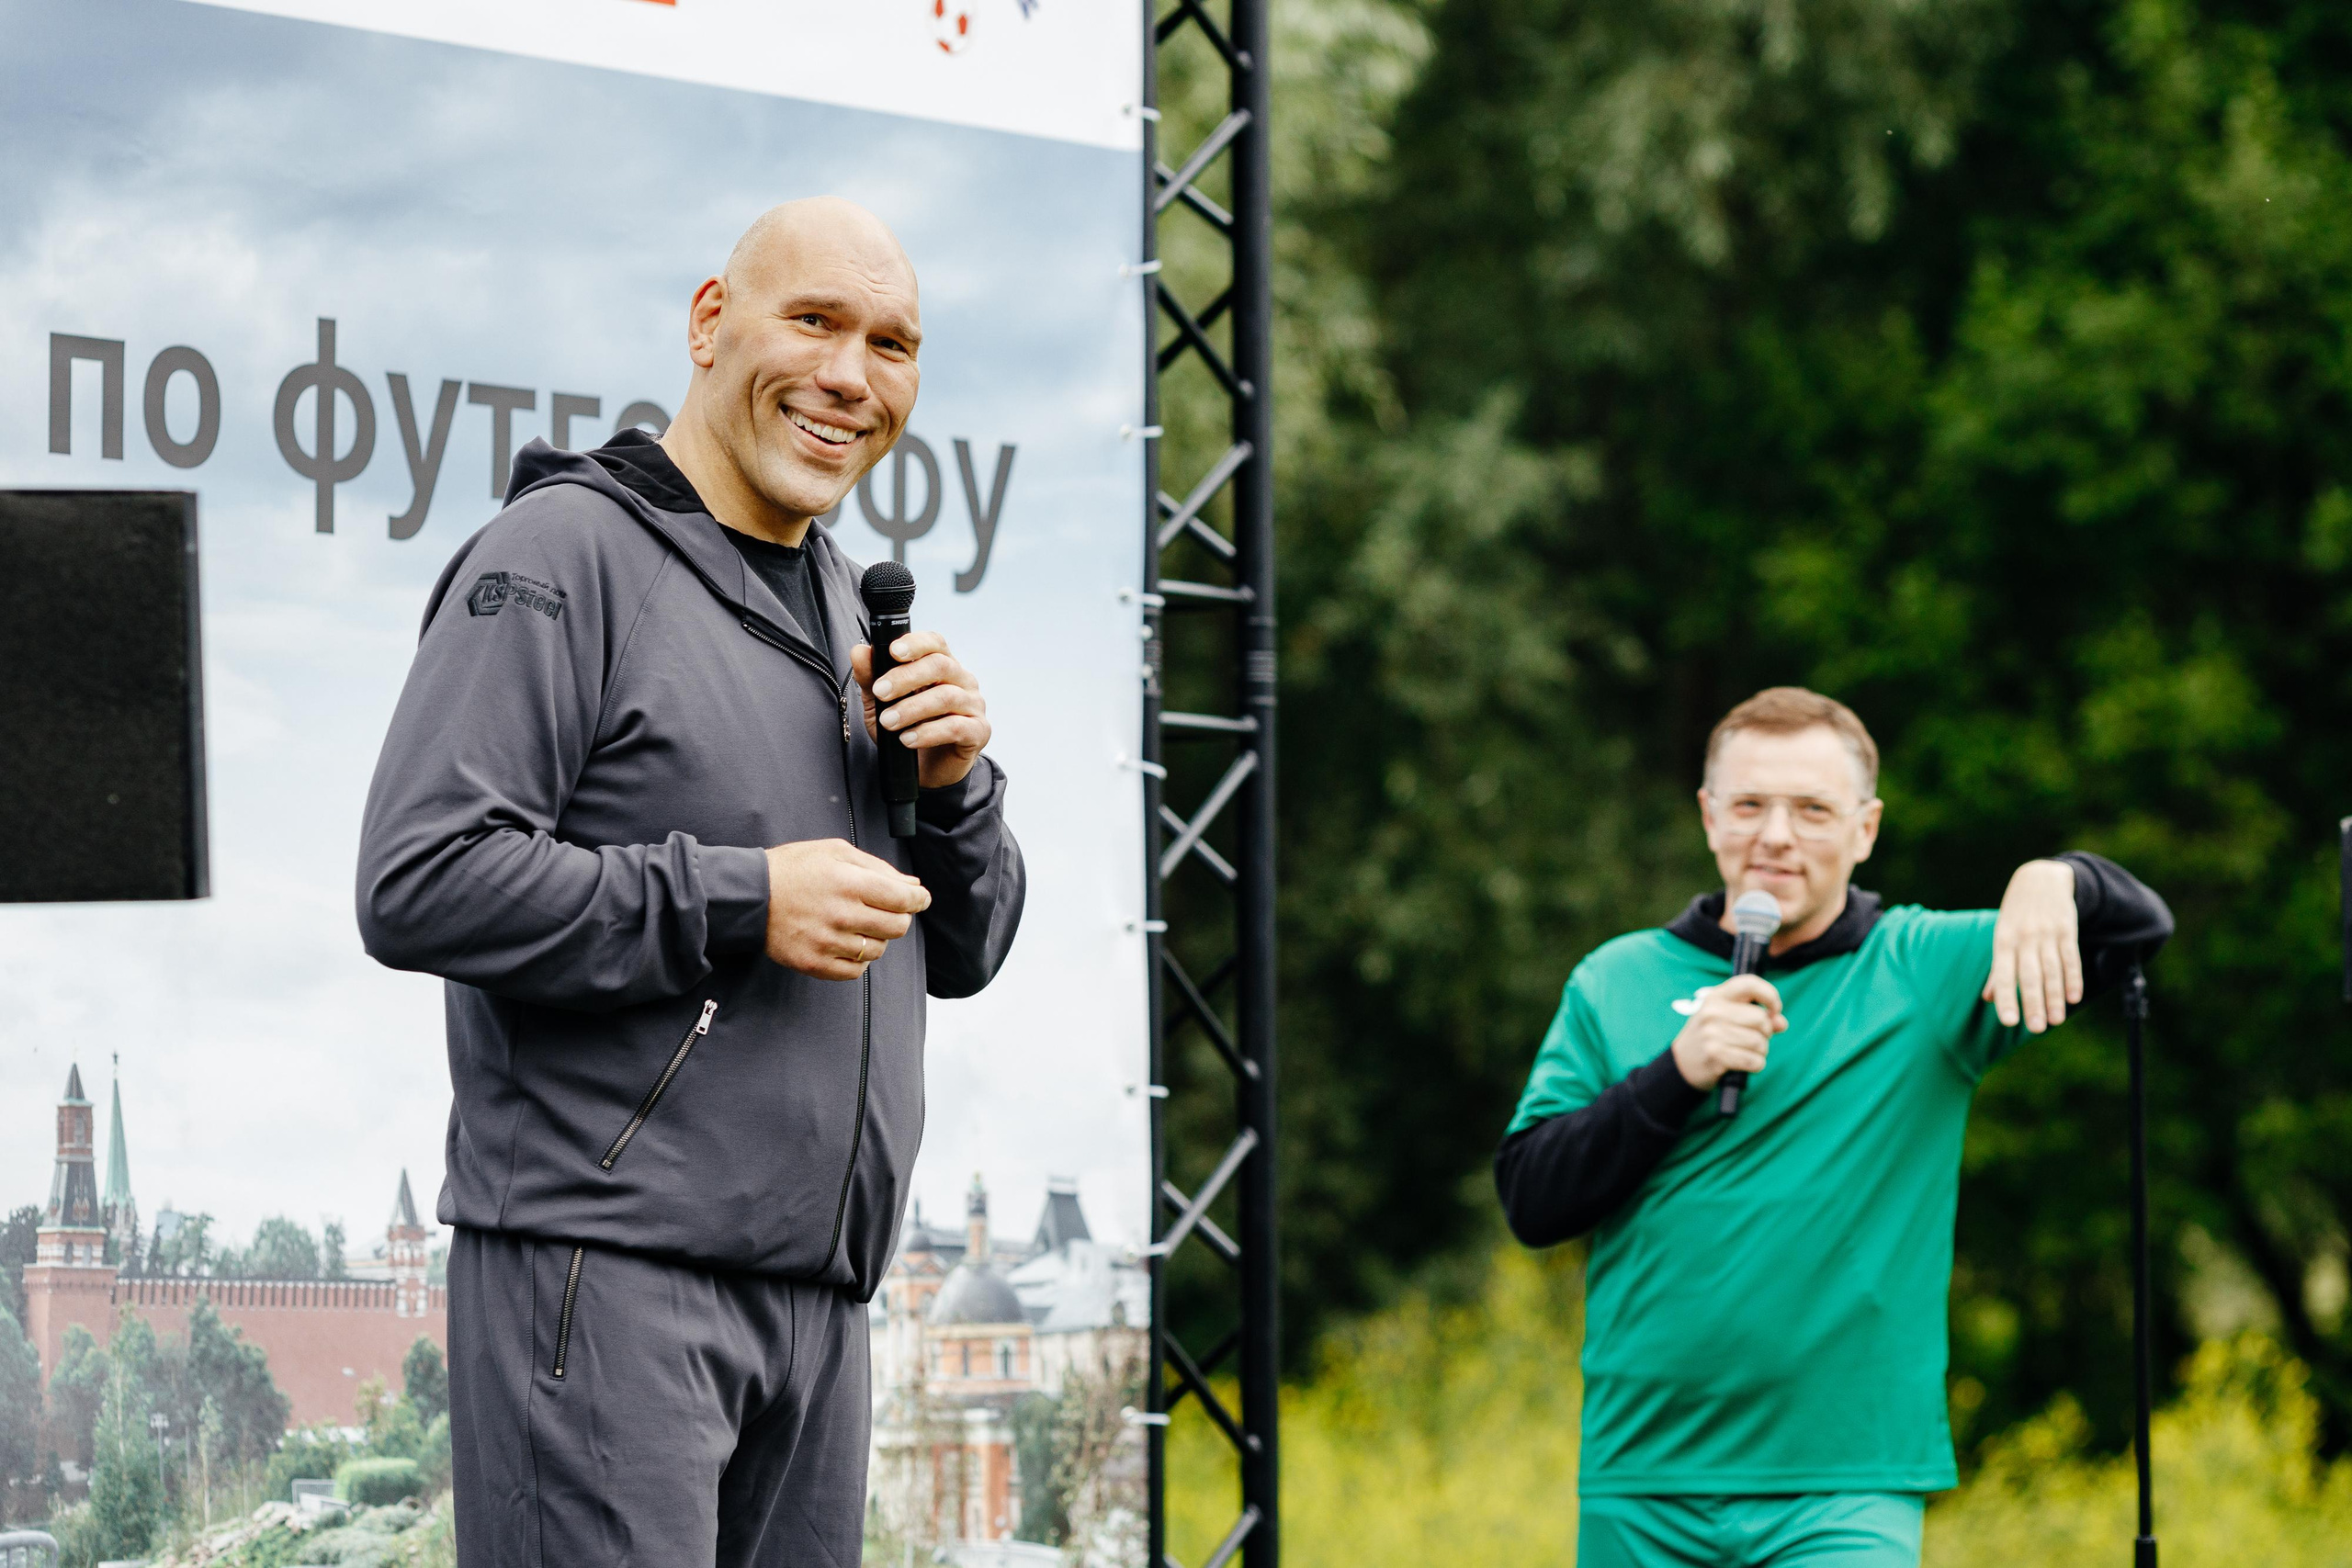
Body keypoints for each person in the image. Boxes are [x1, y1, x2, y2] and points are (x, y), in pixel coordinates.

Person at [356, 197, 1025, 1567]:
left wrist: (957, 789)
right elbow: (419, 878)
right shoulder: (559, 556)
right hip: (605, 1277)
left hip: (822, 1306)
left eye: (892, 344)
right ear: (712, 322)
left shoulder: (850, 605)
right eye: (817, 322)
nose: (854, 375)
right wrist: (738, 900)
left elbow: (964, 946)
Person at [1494, 687, 2171, 1568]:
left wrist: (2059, 877)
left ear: (1865, 829)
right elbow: (1531, 1199)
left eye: (1812, 809)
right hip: (1644, 1476)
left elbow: (2142, 931)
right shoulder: (1615, 978)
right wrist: (1676, 1072)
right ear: (1708, 818)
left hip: (1845, 1485)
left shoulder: (1922, 971)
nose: (1776, 835)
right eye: (1749, 805)